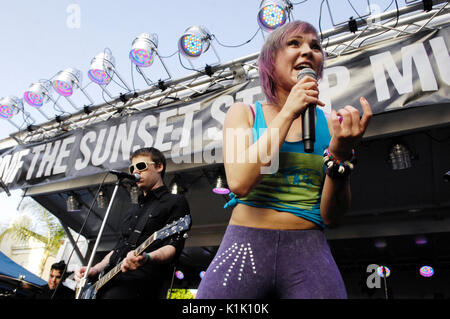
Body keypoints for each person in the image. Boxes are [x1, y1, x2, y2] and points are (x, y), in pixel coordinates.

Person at [196, 20, 372, 299]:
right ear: (269, 61)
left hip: (308, 249)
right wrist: (288, 111)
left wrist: (340, 158)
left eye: (315, 46)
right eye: (294, 43)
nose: (308, 51)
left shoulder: (331, 125)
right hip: (245, 244)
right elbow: (240, 182)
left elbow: (333, 217)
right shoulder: (244, 113)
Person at [74, 147, 191, 299]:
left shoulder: (175, 201)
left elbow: (173, 246)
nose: (135, 172)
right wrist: (95, 269)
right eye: (132, 168)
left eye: (141, 166)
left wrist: (147, 258)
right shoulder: (134, 208)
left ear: (159, 166)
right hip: (108, 282)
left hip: (139, 286)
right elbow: (118, 249)